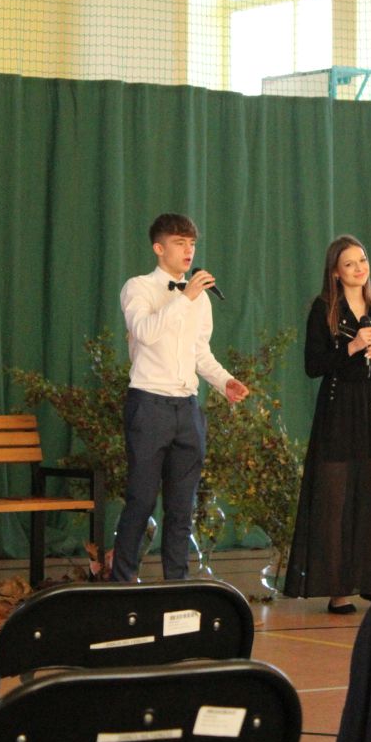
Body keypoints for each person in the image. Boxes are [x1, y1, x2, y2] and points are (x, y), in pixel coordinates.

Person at [110, 212, 249, 582]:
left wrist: (224, 381)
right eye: (179, 243)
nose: (188, 251)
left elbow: (200, 352)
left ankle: (177, 587)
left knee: (181, 508)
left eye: (192, 244)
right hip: (149, 405)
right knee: (140, 501)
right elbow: (145, 332)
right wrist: (185, 297)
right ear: (159, 249)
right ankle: (120, 585)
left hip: (187, 409)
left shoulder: (199, 300)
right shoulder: (138, 287)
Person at [284, 234, 371, 613]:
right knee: (334, 501)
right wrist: (351, 347)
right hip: (337, 410)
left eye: (362, 260)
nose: (359, 268)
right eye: (349, 264)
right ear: (335, 272)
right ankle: (338, 590)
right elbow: (313, 365)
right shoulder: (324, 309)